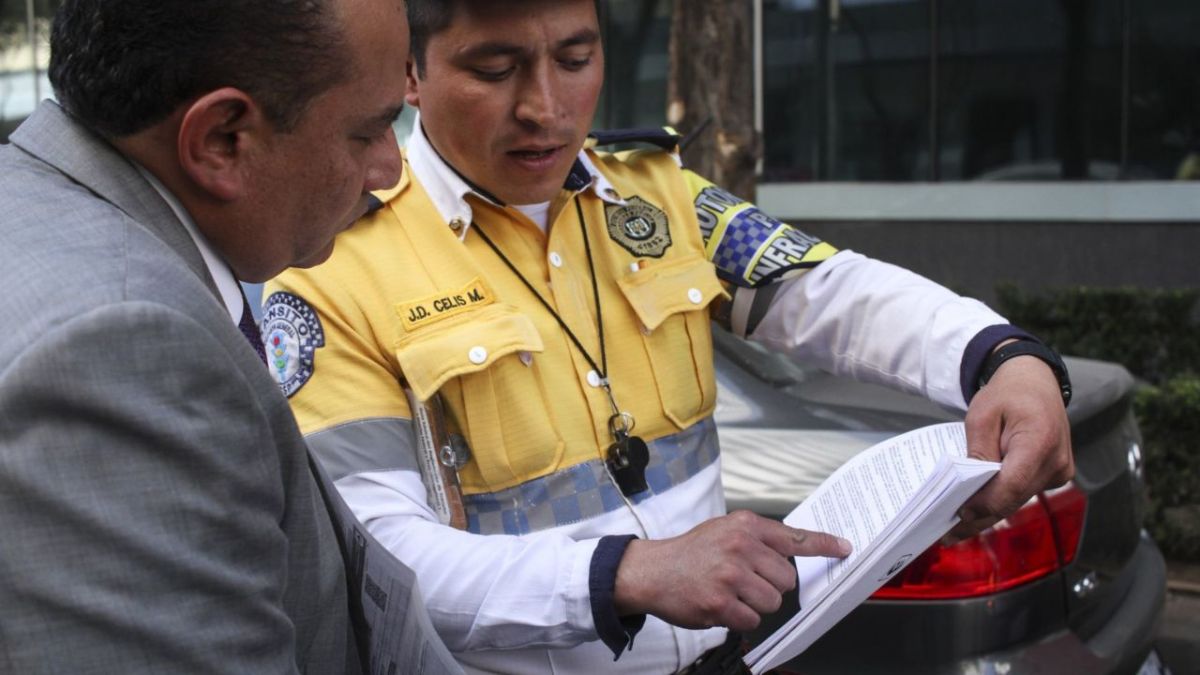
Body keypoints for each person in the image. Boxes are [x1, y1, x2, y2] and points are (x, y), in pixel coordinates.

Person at [265, 0, 1074, 672]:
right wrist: (623, 573)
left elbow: (835, 294)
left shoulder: (654, 199)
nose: (545, 107)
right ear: (411, 70)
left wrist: (1001, 358)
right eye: (494, 69)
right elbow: (385, 562)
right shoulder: (331, 268)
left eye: (576, 59)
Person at [0, 0, 460, 673]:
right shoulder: (121, 350)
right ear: (222, 140)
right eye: (370, 132)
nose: (389, 169)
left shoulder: (41, 207)